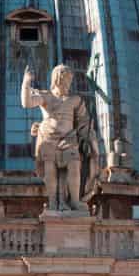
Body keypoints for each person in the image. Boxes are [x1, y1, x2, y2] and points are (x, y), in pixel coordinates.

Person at [22, 63, 93, 212]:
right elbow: (27, 102)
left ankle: (74, 201)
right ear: (58, 78)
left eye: (70, 79)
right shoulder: (46, 96)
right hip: (49, 138)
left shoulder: (75, 100)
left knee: (74, 165)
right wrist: (26, 82)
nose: (69, 82)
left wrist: (86, 139)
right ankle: (53, 202)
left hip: (69, 139)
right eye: (66, 78)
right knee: (50, 170)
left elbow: (84, 121)